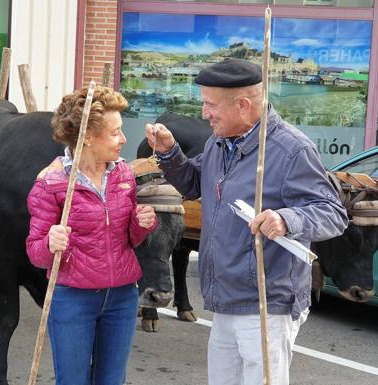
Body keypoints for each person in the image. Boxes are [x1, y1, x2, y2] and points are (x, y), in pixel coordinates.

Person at [144, 59, 348, 385]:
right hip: (225, 297)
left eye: (211, 105)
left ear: (243, 105)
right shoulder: (218, 142)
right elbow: (196, 184)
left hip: (267, 303)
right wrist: (170, 154)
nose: (205, 113)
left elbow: (332, 213)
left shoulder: (292, 150)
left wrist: (286, 218)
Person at [26, 86, 157, 385]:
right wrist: (49, 242)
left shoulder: (123, 175)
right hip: (73, 298)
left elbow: (130, 240)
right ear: (87, 136)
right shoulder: (52, 183)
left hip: (122, 296)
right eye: (115, 133)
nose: (123, 139)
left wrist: (141, 224)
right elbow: (35, 252)